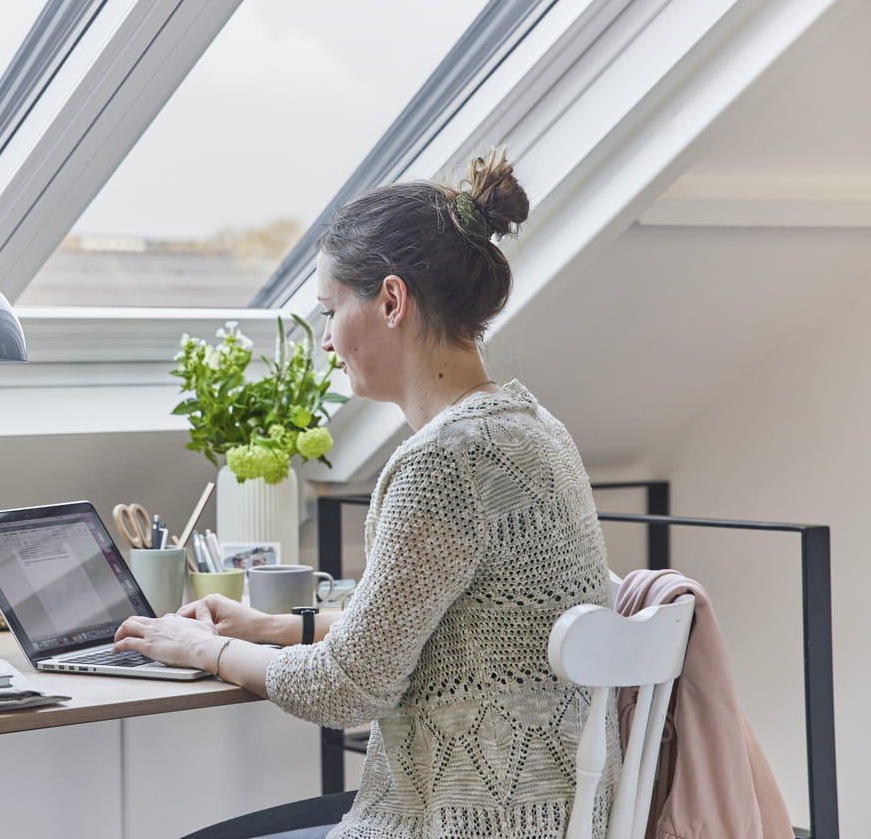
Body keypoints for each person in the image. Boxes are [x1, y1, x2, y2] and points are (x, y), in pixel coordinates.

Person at [114, 149, 615, 839]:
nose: (325, 342)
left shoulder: (445, 462)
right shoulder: (530, 429)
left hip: (460, 822)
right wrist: (268, 628)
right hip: (546, 814)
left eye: (329, 311)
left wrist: (201, 649)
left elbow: (347, 689)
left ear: (390, 300)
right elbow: (448, 631)